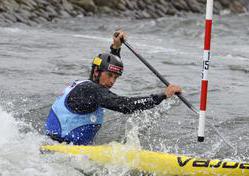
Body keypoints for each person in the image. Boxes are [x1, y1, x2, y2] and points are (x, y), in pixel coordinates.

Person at [45, 30, 182, 145]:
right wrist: (162, 96)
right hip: (58, 147)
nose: (112, 81)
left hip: (63, 145)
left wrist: (115, 48)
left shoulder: (88, 86)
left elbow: (106, 69)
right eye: (110, 75)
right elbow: (125, 105)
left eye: (116, 77)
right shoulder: (90, 90)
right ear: (97, 72)